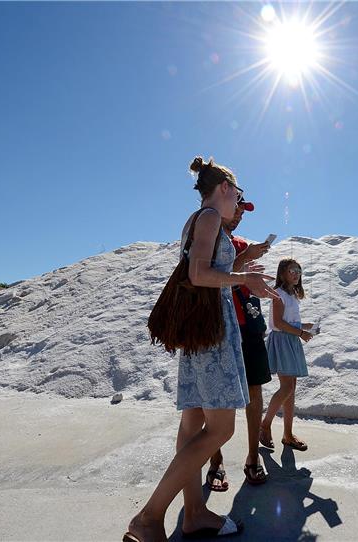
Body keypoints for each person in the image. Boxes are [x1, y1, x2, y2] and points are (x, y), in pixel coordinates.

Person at [124, 157, 278, 542]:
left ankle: (193, 512)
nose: (238, 204)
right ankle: (149, 517)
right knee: (221, 428)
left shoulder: (197, 220)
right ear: (225, 188)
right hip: (214, 337)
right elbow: (198, 275)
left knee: (192, 424)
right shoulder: (209, 217)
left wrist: (242, 263)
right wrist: (245, 279)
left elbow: (207, 267)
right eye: (238, 195)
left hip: (201, 336)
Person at [206, 198, 273, 491]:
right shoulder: (206, 239)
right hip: (219, 328)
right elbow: (210, 278)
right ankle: (215, 461)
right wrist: (245, 261)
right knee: (216, 396)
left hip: (249, 325)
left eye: (242, 212)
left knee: (255, 389)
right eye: (237, 209)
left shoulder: (242, 242)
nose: (239, 216)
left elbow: (244, 279)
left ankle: (252, 457)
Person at [260, 258, 315, 452]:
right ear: (282, 273)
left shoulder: (292, 295)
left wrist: (304, 326)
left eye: (299, 270)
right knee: (286, 388)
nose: (296, 274)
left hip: (290, 340)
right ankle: (265, 424)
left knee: (291, 388)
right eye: (292, 270)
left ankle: (288, 434)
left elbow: (288, 320)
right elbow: (278, 323)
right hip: (283, 341)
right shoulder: (279, 294)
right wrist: (300, 333)